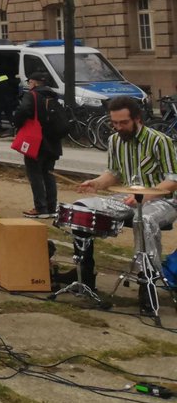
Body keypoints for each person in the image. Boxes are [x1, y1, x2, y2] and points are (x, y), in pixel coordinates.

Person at [74, 96, 177, 285]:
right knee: (81, 209)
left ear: (137, 118)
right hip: (128, 197)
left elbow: (173, 180)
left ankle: (148, 282)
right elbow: (114, 174)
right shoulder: (115, 140)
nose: (118, 127)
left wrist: (146, 195)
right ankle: (84, 277)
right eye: (114, 123)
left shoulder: (160, 141)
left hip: (164, 201)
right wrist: (96, 183)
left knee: (143, 219)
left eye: (123, 122)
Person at [14, 72, 65, 219]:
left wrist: (17, 123)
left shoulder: (32, 95)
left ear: (34, 83)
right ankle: (51, 207)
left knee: (35, 174)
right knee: (49, 174)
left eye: (29, 82)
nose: (29, 84)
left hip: (36, 141)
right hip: (53, 142)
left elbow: (23, 110)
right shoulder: (53, 96)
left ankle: (40, 208)